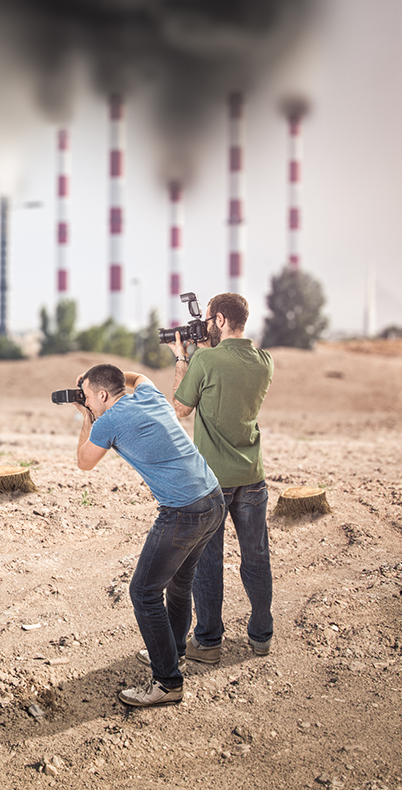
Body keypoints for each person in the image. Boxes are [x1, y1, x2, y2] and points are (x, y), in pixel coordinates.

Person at [71, 363, 224, 707]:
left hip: (183, 511)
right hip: (213, 499)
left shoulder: (107, 421)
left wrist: (86, 417)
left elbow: (84, 462)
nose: (87, 401)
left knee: (143, 592)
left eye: (89, 397)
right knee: (180, 583)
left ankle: (167, 683)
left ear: (103, 395)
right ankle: (174, 651)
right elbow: (138, 377)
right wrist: (103, 379)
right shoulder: (149, 395)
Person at [169, 292, 274, 663]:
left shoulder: (205, 360)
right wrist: (205, 350)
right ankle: (261, 636)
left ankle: (209, 643)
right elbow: (229, 377)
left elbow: (180, 408)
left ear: (221, 320)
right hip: (253, 475)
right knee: (256, 557)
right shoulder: (264, 360)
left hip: (212, 481)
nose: (207, 325)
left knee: (208, 562)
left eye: (210, 318)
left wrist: (182, 358)